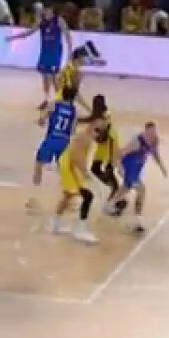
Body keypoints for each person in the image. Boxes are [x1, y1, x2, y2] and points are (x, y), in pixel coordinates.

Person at [51, 113, 107, 244]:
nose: (103, 126)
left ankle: (56, 225)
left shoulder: (87, 136)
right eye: (101, 123)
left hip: (69, 164)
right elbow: (75, 156)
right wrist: (85, 173)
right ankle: (80, 231)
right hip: (70, 166)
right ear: (94, 122)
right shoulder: (84, 138)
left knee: (68, 196)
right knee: (88, 196)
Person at [102, 121, 168, 233]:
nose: (153, 134)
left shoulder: (155, 140)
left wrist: (162, 167)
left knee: (126, 188)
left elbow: (155, 154)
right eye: (150, 131)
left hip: (137, 167)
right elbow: (121, 153)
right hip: (129, 166)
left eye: (154, 131)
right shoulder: (137, 142)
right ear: (145, 131)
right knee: (141, 191)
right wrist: (119, 168)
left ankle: (109, 205)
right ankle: (137, 221)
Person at [5, 5, 73, 108]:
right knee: (45, 78)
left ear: (52, 10)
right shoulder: (42, 22)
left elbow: (67, 35)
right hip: (44, 52)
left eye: (47, 10)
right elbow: (29, 33)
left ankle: (59, 100)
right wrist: (13, 37)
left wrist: (70, 52)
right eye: (44, 10)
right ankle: (47, 99)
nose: (45, 12)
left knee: (54, 78)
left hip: (55, 53)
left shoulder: (59, 20)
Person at [27, 84, 79, 213]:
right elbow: (73, 130)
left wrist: (41, 121)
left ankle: (34, 197)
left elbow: (42, 119)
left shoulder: (54, 105)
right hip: (64, 142)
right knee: (64, 171)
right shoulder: (74, 111)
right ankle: (70, 200)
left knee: (38, 166)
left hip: (51, 139)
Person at [89, 95, 123, 206]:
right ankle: (114, 189)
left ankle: (117, 196)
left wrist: (95, 135)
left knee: (109, 170)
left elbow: (103, 135)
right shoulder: (97, 114)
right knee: (95, 169)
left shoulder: (105, 115)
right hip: (103, 146)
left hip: (110, 144)